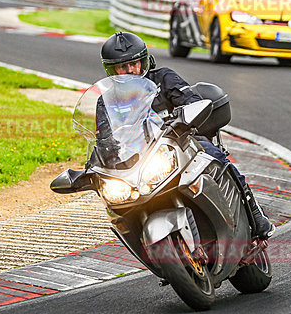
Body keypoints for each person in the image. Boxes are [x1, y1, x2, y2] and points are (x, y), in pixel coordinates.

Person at [96, 31, 275, 240]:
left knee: (214, 154)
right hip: (140, 157)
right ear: (112, 70)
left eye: (134, 64)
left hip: (181, 142)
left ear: (143, 61)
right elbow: (103, 138)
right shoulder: (107, 101)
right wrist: (95, 163)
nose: (131, 70)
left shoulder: (163, 78)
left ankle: (254, 212)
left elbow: (190, 99)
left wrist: (185, 115)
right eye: (123, 67)